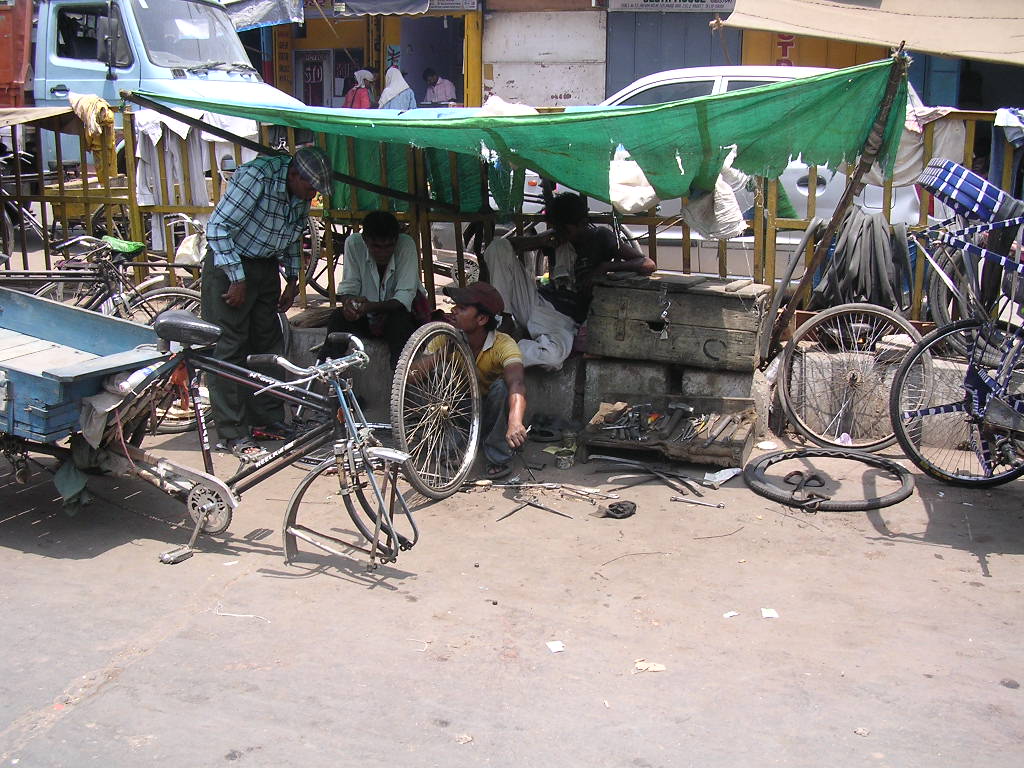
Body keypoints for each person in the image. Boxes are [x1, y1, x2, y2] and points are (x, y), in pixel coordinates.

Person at [202, 146, 333, 460]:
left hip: (265, 266)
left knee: (267, 344)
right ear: (294, 174)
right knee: (229, 347)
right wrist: (237, 278)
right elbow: (217, 228)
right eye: (311, 187)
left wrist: (292, 280)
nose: (313, 195)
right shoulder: (257, 178)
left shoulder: (300, 194)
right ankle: (233, 432)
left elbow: (292, 236)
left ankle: (267, 419)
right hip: (231, 265)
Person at [483, 191, 656, 369]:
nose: (561, 234)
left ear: (582, 223)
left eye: (565, 230)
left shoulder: (600, 237)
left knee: (552, 358)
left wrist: (605, 267)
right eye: (557, 229)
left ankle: (502, 352)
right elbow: (510, 246)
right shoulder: (555, 238)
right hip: (536, 302)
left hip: (564, 319)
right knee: (498, 247)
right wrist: (539, 240)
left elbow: (648, 264)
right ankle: (505, 319)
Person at [444, 282, 528, 480]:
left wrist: (515, 420)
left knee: (502, 387)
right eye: (455, 306)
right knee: (439, 376)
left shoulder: (503, 344)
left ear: (481, 319)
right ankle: (459, 444)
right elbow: (411, 375)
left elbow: (517, 383)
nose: (454, 310)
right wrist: (443, 353)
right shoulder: (445, 336)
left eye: (462, 308)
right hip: (463, 408)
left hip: (493, 410)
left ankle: (498, 456)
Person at [322, 210, 420, 368]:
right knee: (338, 318)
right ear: (365, 240)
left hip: (397, 316)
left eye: (388, 246)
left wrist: (368, 307)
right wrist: (349, 305)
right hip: (366, 318)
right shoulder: (354, 244)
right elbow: (349, 286)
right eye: (376, 246)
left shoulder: (406, 245)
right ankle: (327, 371)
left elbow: (403, 299)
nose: (383, 252)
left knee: (399, 322)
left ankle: (402, 376)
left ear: (396, 240)